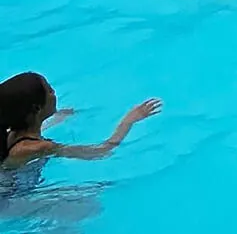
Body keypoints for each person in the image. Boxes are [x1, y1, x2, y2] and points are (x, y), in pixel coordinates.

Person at [1, 72, 161, 169]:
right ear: (36, 109)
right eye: (49, 90)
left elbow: (34, 132)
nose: (54, 93)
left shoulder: (12, 132)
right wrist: (129, 121)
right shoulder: (37, 147)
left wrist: (57, 119)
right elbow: (101, 151)